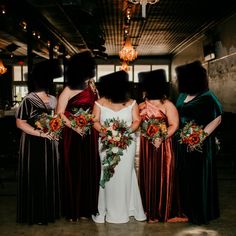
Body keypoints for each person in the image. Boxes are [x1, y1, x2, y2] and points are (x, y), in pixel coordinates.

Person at [91, 70, 146, 224]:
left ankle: (130, 209)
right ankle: (107, 209)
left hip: (127, 144)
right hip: (106, 144)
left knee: (126, 174)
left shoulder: (132, 103)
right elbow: (94, 121)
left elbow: (137, 121)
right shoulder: (99, 102)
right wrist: (107, 132)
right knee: (108, 173)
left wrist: (125, 132)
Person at [174, 60, 223, 225]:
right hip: (182, 144)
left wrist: (200, 136)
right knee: (184, 176)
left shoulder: (208, 96)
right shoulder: (182, 95)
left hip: (200, 145)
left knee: (198, 178)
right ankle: (185, 210)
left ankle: (199, 213)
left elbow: (217, 118)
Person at [15, 59, 62, 225]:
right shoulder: (28, 100)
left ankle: (48, 212)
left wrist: (55, 131)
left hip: (50, 144)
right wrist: (41, 134)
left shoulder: (54, 99)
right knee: (35, 175)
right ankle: (36, 214)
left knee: (49, 175)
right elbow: (20, 123)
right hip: (32, 144)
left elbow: (56, 120)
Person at [56, 50, 100, 222]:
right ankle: (72, 209)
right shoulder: (68, 89)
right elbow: (60, 113)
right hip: (72, 136)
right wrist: (75, 126)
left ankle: (86, 209)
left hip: (89, 135)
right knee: (73, 170)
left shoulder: (92, 86)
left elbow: (97, 109)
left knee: (88, 170)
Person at [138, 69, 186, 223]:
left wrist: (161, 136)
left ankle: (163, 210)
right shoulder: (140, 106)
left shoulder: (168, 105)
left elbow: (174, 125)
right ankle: (149, 210)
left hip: (164, 146)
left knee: (164, 175)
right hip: (147, 147)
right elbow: (137, 125)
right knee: (148, 176)